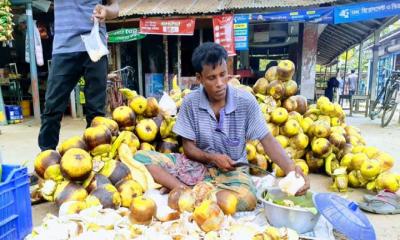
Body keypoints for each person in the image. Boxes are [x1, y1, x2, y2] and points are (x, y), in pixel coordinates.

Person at [133, 43, 309, 211]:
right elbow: (188, 148)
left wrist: (292, 171)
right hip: (196, 166)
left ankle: (190, 195)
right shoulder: (190, 102)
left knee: (247, 199)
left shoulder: (246, 101)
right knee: (140, 158)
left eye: (223, 74)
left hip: (233, 173)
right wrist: (211, 157)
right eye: (211, 77)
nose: (220, 83)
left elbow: (268, 141)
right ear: (199, 78)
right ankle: (186, 190)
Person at [38, 1, 119, 151]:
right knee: (52, 107)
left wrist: (106, 11)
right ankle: (46, 156)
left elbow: (115, 7)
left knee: (96, 113)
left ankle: (94, 156)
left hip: (95, 47)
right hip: (63, 49)